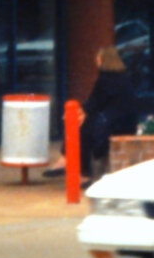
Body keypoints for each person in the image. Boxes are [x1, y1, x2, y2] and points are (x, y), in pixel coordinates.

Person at [45, 45, 143, 180]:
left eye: (97, 58)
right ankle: (66, 161)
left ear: (102, 60)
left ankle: (82, 172)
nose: (95, 61)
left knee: (82, 130)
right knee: (82, 125)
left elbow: (93, 104)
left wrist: (76, 113)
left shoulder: (105, 79)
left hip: (113, 125)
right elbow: (97, 104)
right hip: (124, 123)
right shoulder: (123, 78)